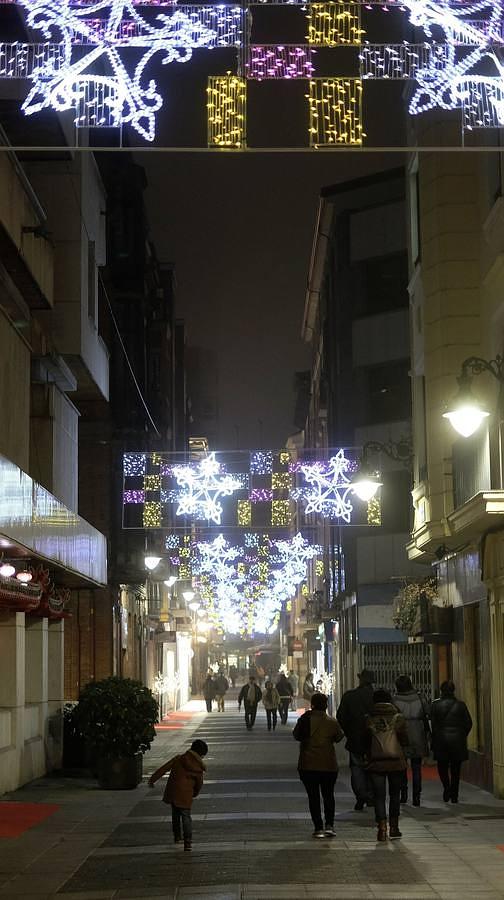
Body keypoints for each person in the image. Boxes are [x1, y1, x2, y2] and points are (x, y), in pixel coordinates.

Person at [293, 692, 345, 838]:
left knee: (313, 797)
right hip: (328, 765)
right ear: (326, 705)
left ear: (312, 704)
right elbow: (339, 737)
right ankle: (330, 825)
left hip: (308, 764)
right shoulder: (331, 722)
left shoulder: (304, 719)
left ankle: (318, 827)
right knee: (328, 795)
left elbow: (296, 735)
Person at [364, 689, 409, 843]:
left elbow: (365, 741)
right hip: (396, 762)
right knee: (395, 794)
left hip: (376, 762)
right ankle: (394, 828)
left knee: (379, 796)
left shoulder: (368, 718)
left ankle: (382, 829)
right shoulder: (398, 718)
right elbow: (404, 739)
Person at [148, 738, 208, 851]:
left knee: (175, 815)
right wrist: (194, 793)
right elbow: (199, 784)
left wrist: (153, 779)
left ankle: (177, 836)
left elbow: (164, 768)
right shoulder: (198, 767)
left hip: (174, 792)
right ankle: (188, 842)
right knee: (186, 817)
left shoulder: (179, 759)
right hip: (186, 794)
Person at [336, 669, 375, 810]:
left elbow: (340, 717)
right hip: (375, 739)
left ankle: (361, 796)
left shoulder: (349, 696)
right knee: (373, 767)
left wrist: (349, 731)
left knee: (357, 768)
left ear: (360, 679)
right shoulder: (377, 696)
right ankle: (371, 796)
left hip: (355, 739)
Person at [430, 680, 472, 803]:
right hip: (457, 741)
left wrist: (436, 736)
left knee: (442, 766)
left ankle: (446, 788)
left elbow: (434, 724)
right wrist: (462, 734)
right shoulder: (461, 705)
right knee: (456, 769)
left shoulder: (435, 705)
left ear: (442, 690)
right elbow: (468, 723)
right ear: (453, 690)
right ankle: (454, 795)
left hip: (441, 740)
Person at [392, 674, 430, 806]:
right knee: (416, 767)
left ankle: (404, 794)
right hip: (418, 733)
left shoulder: (395, 699)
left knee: (401, 767)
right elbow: (428, 713)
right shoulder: (420, 697)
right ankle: (416, 797)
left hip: (401, 734)